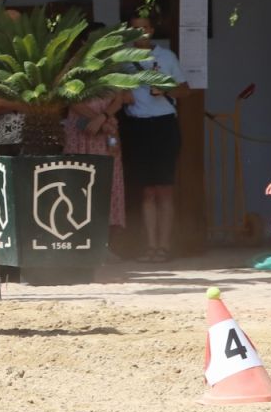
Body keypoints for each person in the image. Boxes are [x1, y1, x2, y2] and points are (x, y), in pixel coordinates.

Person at [121, 14, 183, 262]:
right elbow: (117, 91)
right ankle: (150, 246)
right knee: (146, 191)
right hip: (137, 126)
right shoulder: (123, 60)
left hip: (164, 124)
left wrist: (164, 89)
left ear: (152, 30)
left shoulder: (167, 57)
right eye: (135, 29)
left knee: (164, 189)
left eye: (144, 28)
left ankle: (164, 246)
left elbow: (185, 90)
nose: (141, 33)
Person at [64, 89, 127, 229]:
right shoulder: (74, 74)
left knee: (108, 176)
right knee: (80, 181)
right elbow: (73, 101)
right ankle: (79, 228)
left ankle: (108, 228)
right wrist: (100, 121)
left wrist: (102, 118)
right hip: (81, 130)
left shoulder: (112, 75)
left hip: (108, 130)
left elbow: (118, 101)